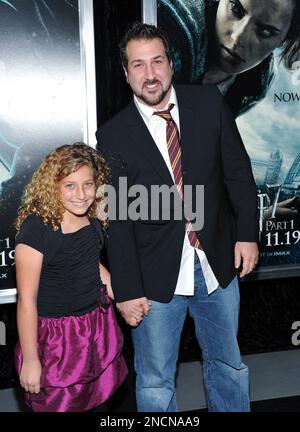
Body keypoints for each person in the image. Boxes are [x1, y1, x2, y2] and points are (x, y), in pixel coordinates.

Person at [96, 22, 259, 412]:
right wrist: (128, 289)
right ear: (126, 73)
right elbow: (117, 222)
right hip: (153, 279)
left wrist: (247, 234)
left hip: (216, 264)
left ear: (171, 63)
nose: (149, 74)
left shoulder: (208, 104)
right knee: (154, 381)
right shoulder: (113, 135)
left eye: (156, 61)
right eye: (138, 65)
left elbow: (238, 173)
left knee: (228, 366)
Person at [14, 143, 128, 412]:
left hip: (96, 328)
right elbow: (26, 301)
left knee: (99, 403)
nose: (81, 194)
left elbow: (92, 265)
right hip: (57, 341)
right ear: (53, 185)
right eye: (70, 185)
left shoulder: (92, 217)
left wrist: (125, 297)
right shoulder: (36, 228)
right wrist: (31, 360)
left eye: (88, 184)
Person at [158, 0, 300, 117]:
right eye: (236, 9)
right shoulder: (172, 24)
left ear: (284, 40)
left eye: (265, 31)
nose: (238, 37)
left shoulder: (258, 82)